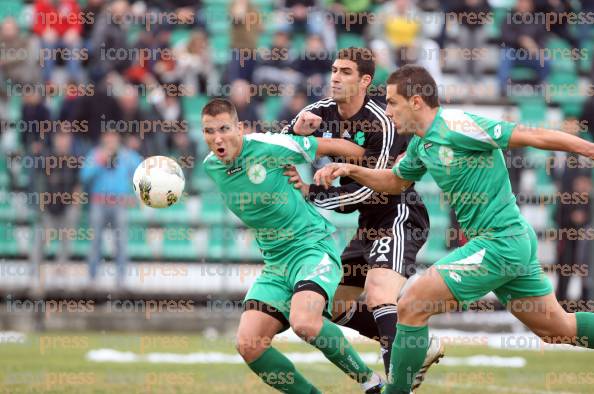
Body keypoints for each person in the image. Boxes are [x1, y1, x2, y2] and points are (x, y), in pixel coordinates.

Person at [314, 64, 594, 393]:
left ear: (416, 101)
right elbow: (393, 181)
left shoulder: (458, 125)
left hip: (500, 241)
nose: (387, 111)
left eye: (392, 103)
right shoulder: (421, 145)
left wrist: (587, 148)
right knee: (557, 328)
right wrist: (351, 169)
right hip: (508, 243)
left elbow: (532, 135)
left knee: (411, 303)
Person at [201, 98, 384, 393]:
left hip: (311, 249)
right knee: (249, 344)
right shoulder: (211, 167)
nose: (217, 138)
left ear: (239, 128)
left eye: (224, 129)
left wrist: (372, 160)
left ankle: (371, 383)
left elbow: (326, 145)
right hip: (275, 265)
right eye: (209, 132)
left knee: (305, 322)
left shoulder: (265, 146)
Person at [282, 47, 437, 379]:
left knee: (380, 291)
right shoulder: (318, 112)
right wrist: (295, 131)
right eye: (334, 70)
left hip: (398, 213)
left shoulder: (381, 121)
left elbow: (370, 189)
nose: (336, 77)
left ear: (365, 80)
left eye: (346, 72)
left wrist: (311, 193)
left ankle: (399, 382)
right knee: (335, 307)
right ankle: (413, 348)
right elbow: (275, 146)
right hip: (367, 223)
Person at [80, 129, 142, 288]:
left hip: (119, 204)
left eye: (114, 137)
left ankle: (121, 279)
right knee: (95, 241)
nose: (111, 140)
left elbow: (141, 172)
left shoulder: (127, 155)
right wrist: (100, 161)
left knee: (121, 242)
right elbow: (84, 176)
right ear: (103, 138)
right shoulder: (95, 154)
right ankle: (92, 278)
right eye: (108, 137)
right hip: (99, 202)